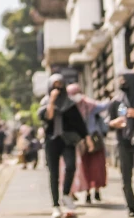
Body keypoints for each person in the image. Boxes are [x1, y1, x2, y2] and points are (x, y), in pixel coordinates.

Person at [38, 74, 91, 218]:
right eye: (54, 84)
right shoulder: (45, 102)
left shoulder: (70, 103)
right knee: (53, 173)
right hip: (52, 141)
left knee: (71, 166)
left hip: (67, 140)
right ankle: (55, 205)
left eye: (60, 84)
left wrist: (87, 139)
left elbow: (80, 123)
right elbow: (48, 117)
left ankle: (66, 193)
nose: (58, 87)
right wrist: (52, 101)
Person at [110, 71, 134, 218]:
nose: (121, 84)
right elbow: (109, 122)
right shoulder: (117, 102)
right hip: (123, 142)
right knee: (126, 178)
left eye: (124, 81)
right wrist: (116, 123)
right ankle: (130, 207)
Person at [67, 84, 110, 204]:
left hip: (92, 141)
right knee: (85, 168)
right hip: (81, 142)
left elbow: (104, 106)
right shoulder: (70, 107)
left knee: (96, 167)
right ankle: (88, 192)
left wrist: (110, 98)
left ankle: (95, 191)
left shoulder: (89, 104)